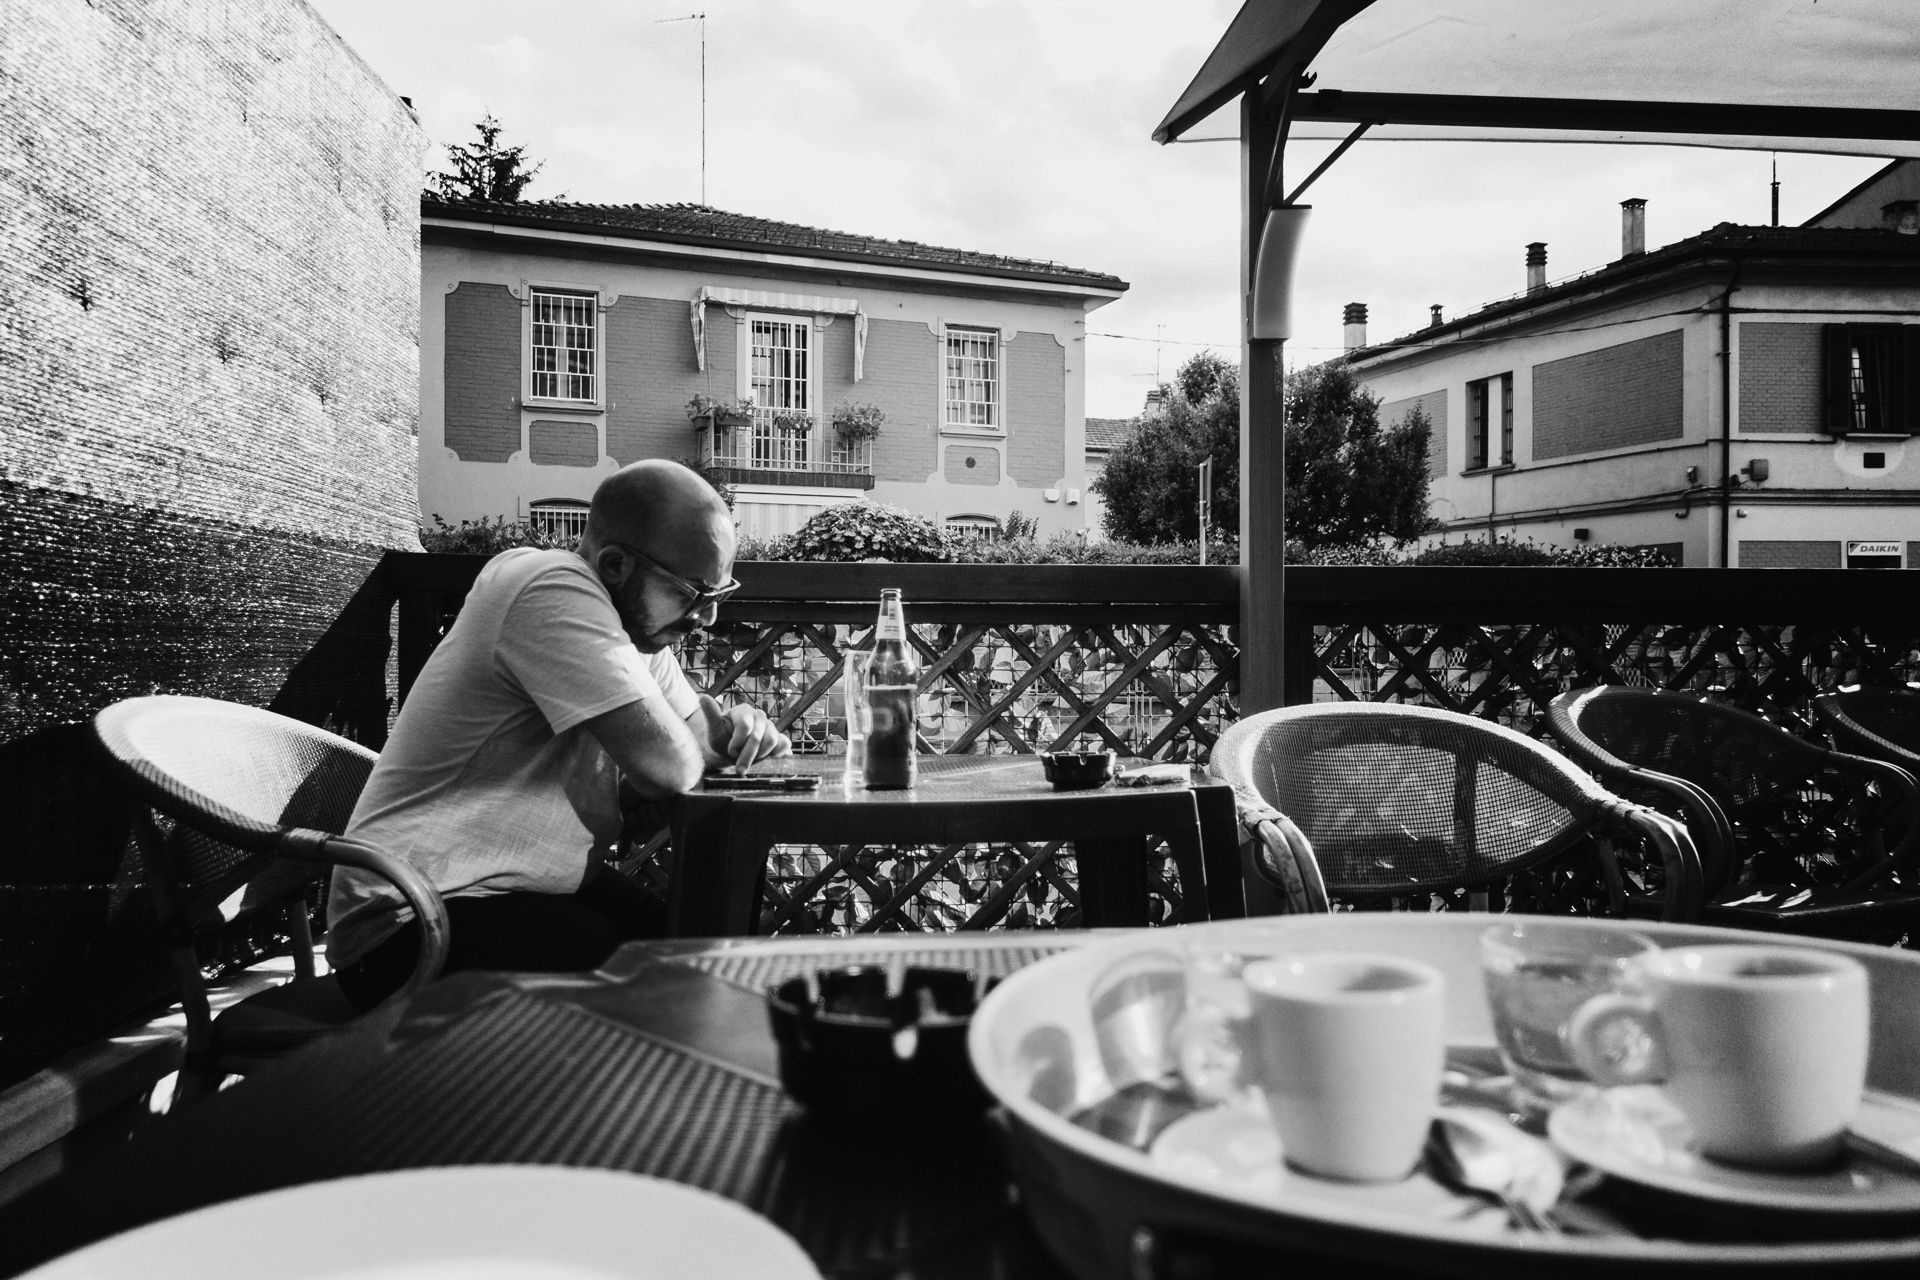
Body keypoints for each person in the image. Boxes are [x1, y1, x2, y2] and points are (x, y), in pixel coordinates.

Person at [328, 460, 790, 1009]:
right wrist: (668, 765)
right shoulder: (548, 585)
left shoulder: (636, 634)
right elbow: (672, 766)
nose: (706, 619)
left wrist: (734, 728)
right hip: (411, 919)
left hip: (513, 892)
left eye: (718, 595)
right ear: (615, 565)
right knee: (665, 994)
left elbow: (699, 745)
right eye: (694, 593)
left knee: (711, 951)